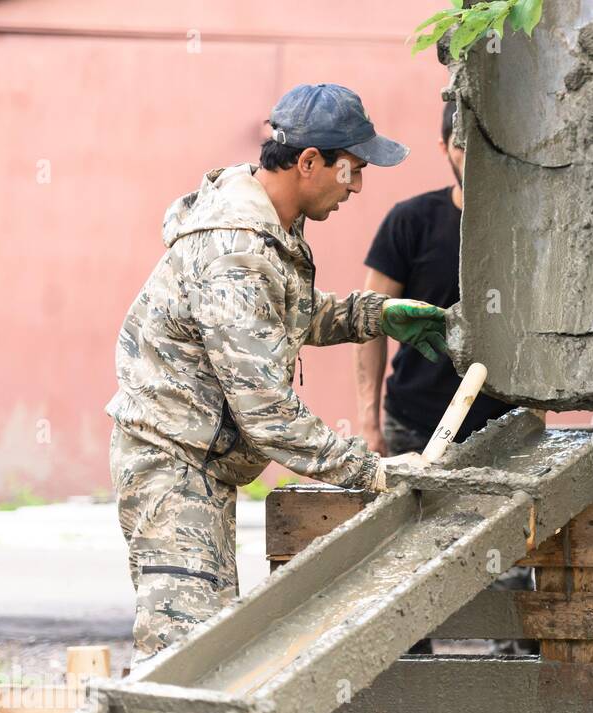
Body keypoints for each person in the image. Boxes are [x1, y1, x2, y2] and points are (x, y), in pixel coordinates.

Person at [107, 83, 449, 657]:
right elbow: (267, 412)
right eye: (352, 170)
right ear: (309, 162)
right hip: (170, 465)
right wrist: (373, 471)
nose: (358, 187)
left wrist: (375, 315)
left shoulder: (271, 226)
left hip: (198, 463)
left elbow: (284, 315)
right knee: (184, 660)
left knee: (208, 649)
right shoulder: (236, 251)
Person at [355, 105, 516, 456]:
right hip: (413, 427)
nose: (472, 159)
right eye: (461, 147)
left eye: (482, 148)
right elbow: (369, 323)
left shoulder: (522, 227)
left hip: (506, 428)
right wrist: (369, 424)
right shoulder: (410, 221)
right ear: (444, 148)